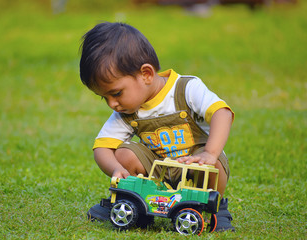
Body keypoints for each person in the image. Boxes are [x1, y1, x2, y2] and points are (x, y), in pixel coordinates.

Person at [79, 21, 235, 232]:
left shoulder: (186, 89)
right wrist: (116, 169)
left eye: (116, 93)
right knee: (125, 154)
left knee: (211, 167)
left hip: (194, 164)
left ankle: (214, 208)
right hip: (157, 172)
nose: (112, 104)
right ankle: (137, 205)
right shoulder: (127, 111)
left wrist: (210, 152)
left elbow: (221, 113)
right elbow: (102, 147)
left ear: (146, 74)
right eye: (103, 98)